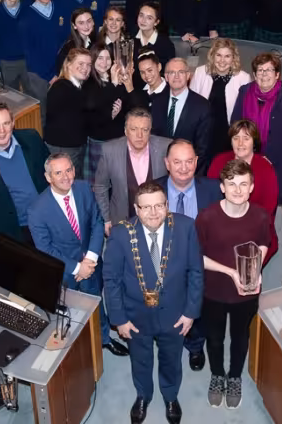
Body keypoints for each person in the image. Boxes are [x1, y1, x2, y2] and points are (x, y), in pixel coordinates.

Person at [103, 181, 204, 424]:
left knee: (172, 358)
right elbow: (111, 279)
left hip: (175, 313)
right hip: (135, 316)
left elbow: (196, 272)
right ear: (136, 209)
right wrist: (119, 319)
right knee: (141, 359)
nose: (153, 212)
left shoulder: (185, 227)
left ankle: (170, 395)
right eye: (146, 207)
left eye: (159, 205)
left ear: (167, 205)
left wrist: (190, 312)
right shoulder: (120, 234)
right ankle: (143, 395)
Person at [28, 153, 130, 356]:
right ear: (48, 177)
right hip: (65, 273)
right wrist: (78, 268)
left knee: (95, 300)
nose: (66, 176)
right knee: (69, 310)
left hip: (91, 263)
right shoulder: (37, 210)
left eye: (69, 169)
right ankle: (77, 348)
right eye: (58, 173)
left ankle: (104, 338)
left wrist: (90, 260)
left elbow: (97, 222)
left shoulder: (83, 188)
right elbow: (45, 249)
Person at [196, 159, 270, 409]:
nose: (237, 190)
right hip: (214, 290)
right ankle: (217, 375)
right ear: (222, 187)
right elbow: (197, 256)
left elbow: (264, 243)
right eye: (232, 184)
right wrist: (231, 272)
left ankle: (235, 376)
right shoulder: (207, 217)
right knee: (215, 338)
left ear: (251, 187)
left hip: (246, 293)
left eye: (243, 184)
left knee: (240, 337)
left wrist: (255, 269)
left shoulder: (260, 216)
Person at [155, 139, 223, 372]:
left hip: (202, 264)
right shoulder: (153, 190)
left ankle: (195, 346)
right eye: (177, 162)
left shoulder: (214, 189)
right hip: (165, 266)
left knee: (199, 308)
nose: (183, 168)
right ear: (167, 163)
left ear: (196, 161)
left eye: (188, 161)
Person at [0, 101, 49, 248]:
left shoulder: (32, 138)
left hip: (48, 220)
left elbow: (52, 173)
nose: (2, 130)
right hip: (17, 232)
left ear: (13, 123)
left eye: (6, 123)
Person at [208, 120, 279, 263]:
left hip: (254, 232)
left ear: (254, 142)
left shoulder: (266, 168)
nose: (240, 143)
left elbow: (268, 211)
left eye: (246, 138)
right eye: (236, 138)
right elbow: (210, 199)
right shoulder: (219, 161)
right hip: (221, 228)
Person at [93, 108, 171, 234]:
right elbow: (100, 186)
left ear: (150, 131)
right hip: (122, 220)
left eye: (144, 130)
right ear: (125, 131)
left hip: (157, 220)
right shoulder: (109, 150)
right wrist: (106, 219)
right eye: (134, 129)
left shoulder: (166, 147)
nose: (139, 135)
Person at [231, 53, 282, 199]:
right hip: (245, 156)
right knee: (243, 197)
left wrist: (269, 158)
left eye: (269, 70)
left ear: (277, 74)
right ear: (254, 75)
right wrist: (245, 152)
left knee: (266, 200)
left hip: (274, 161)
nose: (264, 74)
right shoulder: (244, 91)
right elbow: (235, 123)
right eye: (260, 70)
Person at [20, 0, 71, 126]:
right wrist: (50, 76)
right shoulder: (26, 17)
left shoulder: (61, 7)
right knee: (42, 114)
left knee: (63, 110)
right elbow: (29, 53)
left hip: (62, 70)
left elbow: (67, 40)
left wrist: (61, 70)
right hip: (39, 74)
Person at [189, 39, 253, 158]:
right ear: (212, 56)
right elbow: (191, 105)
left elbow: (246, 113)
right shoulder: (200, 72)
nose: (222, 60)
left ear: (233, 58)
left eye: (227, 56)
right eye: (218, 55)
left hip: (228, 135)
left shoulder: (243, 78)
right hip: (203, 133)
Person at [84, 42, 135, 183]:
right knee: (99, 183)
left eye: (107, 58)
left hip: (118, 138)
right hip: (99, 139)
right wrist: (109, 114)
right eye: (100, 58)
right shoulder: (89, 82)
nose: (104, 62)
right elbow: (93, 108)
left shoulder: (118, 78)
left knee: (119, 181)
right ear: (93, 59)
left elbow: (127, 106)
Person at [151, 58, 212, 173]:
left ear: (188, 75)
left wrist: (186, 173)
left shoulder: (202, 106)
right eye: (172, 73)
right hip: (160, 171)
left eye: (181, 72)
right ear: (166, 77)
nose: (176, 76)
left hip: (188, 173)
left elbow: (203, 149)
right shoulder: (157, 102)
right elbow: (153, 139)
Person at [44, 48, 92, 178]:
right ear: (69, 65)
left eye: (88, 65)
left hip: (74, 146)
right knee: (68, 183)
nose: (85, 68)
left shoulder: (77, 86)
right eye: (81, 64)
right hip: (63, 149)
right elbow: (85, 109)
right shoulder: (61, 87)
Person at [133, 2, 176, 72]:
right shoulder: (130, 39)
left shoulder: (166, 44)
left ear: (156, 22)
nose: (143, 20)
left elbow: (168, 71)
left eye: (149, 18)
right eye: (141, 16)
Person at [55, 6, 96, 73]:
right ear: (74, 26)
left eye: (89, 21)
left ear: (93, 22)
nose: (86, 26)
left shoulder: (95, 42)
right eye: (81, 23)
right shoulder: (68, 49)